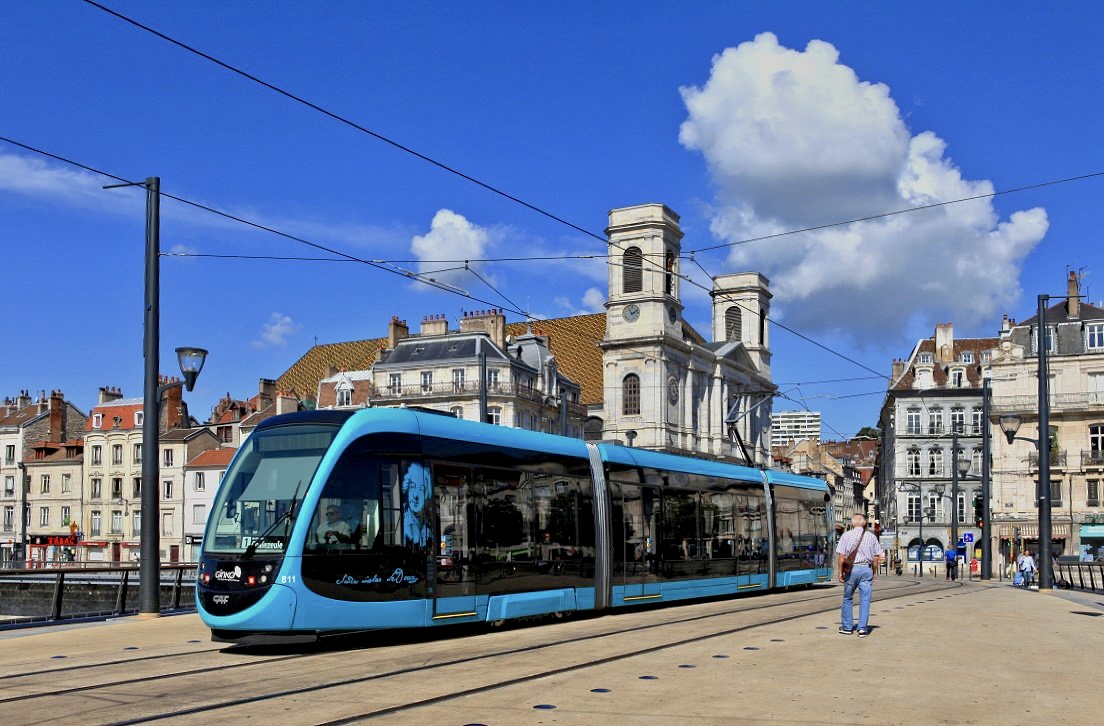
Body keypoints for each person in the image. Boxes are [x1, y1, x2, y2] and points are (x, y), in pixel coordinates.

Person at [835, 513, 885, 638]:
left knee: (847, 598)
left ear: (852, 524)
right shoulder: (871, 537)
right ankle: (862, 629)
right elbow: (878, 557)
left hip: (852, 570)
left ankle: (847, 627)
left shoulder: (846, 536)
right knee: (865, 600)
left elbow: (841, 557)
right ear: (864, 524)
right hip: (866, 569)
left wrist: (840, 572)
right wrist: (874, 572)